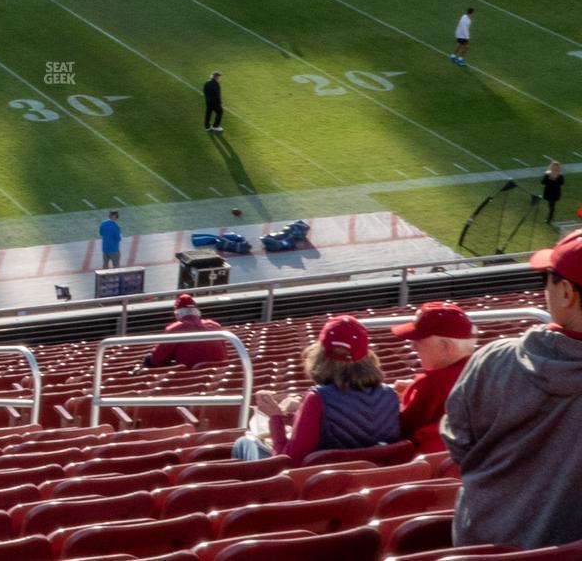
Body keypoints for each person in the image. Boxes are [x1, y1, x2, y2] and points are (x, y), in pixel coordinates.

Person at [441, 230, 582, 549]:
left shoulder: (495, 360)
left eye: (547, 278)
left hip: (485, 541)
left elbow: (459, 446)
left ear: (566, 293)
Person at [236, 316, 401, 460]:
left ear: (320, 354)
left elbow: (289, 461)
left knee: (243, 443)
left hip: (320, 486)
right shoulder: (389, 395)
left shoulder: (318, 398)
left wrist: (275, 417)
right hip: (370, 484)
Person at [391, 303, 476, 453]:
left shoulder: (431, 384)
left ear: (445, 346)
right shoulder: (487, 370)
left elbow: (401, 431)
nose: (412, 346)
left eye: (419, 340)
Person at [141, 293, 229, 367]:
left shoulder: (175, 329)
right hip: (218, 375)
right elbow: (225, 354)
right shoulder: (215, 325)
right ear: (197, 312)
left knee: (148, 359)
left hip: (191, 376)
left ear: (177, 314)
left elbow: (157, 360)